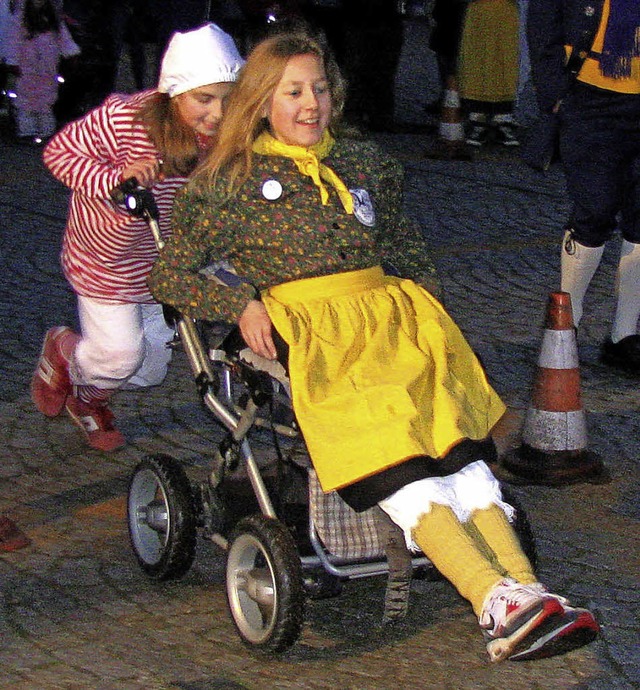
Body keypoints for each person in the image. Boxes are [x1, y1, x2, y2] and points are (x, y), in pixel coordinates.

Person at [149, 30, 599, 662]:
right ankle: (490, 599)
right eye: (293, 92)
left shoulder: (366, 166)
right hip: (320, 341)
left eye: (321, 88)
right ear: (258, 102)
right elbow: (169, 275)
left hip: (396, 329)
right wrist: (240, 302)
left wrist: (430, 313)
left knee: (461, 460)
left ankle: (528, 593)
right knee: (402, 464)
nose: (312, 104)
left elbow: (406, 247)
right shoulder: (227, 184)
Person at [30, 23, 244, 452]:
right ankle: (64, 351)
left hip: (166, 262)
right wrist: (115, 179)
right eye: (204, 99)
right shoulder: (124, 117)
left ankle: (88, 399)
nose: (218, 114)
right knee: (119, 356)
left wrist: (236, 275)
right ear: (173, 93)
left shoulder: (229, 136)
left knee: (148, 369)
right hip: (107, 258)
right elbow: (59, 152)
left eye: (228, 99)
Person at [528, 1, 640, 373]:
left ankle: (624, 336)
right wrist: (553, 93)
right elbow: (545, 22)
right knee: (595, 208)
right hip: (589, 97)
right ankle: (565, 327)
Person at [4, 0, 80, 142]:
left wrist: (71, 53)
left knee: (47, 95)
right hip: (26, 66)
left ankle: (46, 129)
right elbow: (13, 40)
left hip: (48, 67)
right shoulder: (20, 18)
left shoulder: (53, 18)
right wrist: (12, 61)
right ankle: (26, 129)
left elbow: (63, 37)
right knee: (25, 96)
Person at [457, 0, 521, 146]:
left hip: (506, 12)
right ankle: (478, 119)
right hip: (479, 12)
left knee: (505, 63)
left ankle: (503, 119)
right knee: (477, 63)